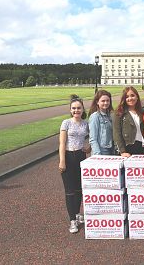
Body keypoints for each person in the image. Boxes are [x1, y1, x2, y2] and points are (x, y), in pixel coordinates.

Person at [58, 95, 89, 234]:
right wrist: (62, 160)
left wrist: (88, 148)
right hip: (69, 156)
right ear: (70, 110)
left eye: (79, 108)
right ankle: (72, 220)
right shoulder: (66, 123)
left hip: (81, 157)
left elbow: (91, 138)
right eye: (74, 108)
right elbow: (62, 143)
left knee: (79, 189)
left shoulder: (85, 123)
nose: (76, 110)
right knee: (70, 190)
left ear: (83, 109)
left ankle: (77, 214)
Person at [113, 86, 144, 157]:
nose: (130, 98)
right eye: (127, 97)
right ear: (124, 99)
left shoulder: (143, 112)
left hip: (143, 147)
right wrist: (122, 151)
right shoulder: (119, 113)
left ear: (137, 97)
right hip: (128, 148)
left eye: (132, 95)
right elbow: (117, 133)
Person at [88, 90, 114, 155]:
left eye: (107, 101)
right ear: (97, 102)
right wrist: (98, 154)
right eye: (103, 101)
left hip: (110, 150)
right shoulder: (95, 116)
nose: (106, 103)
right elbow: (93, 139)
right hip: (101, 151)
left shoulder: (109, 116)